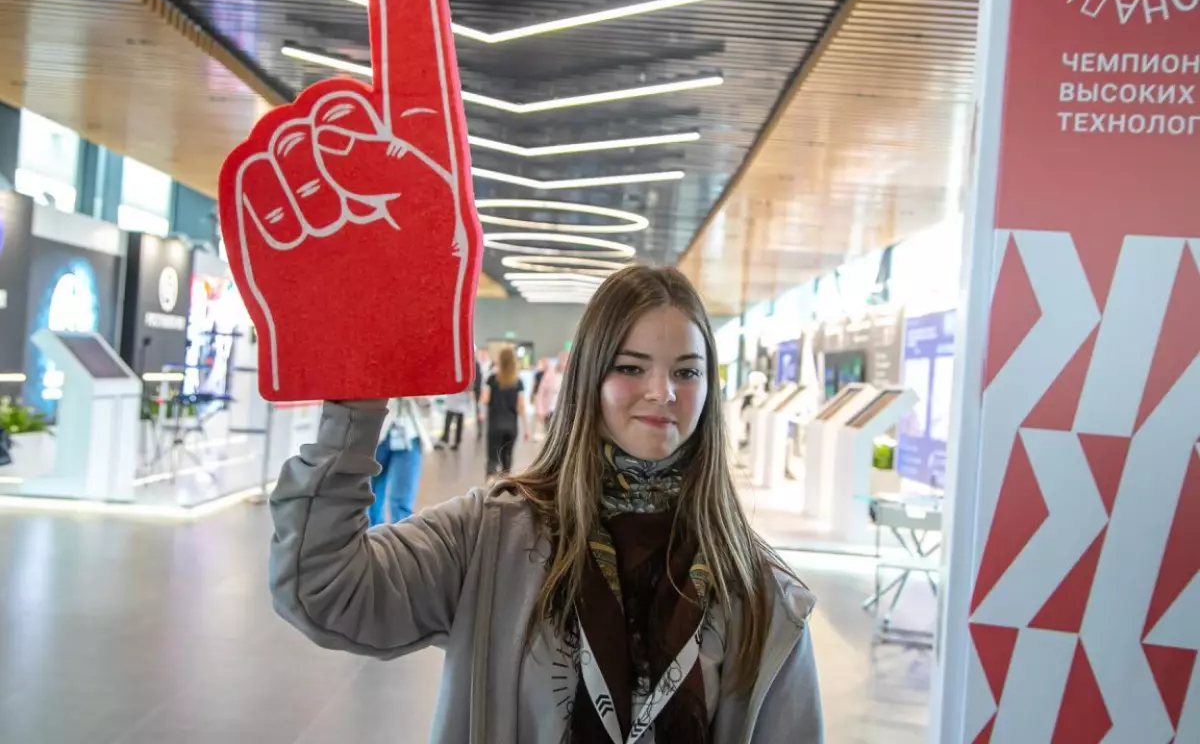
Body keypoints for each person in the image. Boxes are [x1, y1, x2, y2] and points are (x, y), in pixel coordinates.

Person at [268, 265, 822, 742]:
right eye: (631, 367)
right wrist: (352, 411)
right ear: (588, 379)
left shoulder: (761, 592)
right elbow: (324, 587)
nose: (663, 391)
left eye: (686, 370)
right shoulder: (491, 536)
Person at [368, 397, 432, 525]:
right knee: (371, 497)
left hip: (410, 434)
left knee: (401, 502)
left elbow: (427, 409)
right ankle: (372, 539)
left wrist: (416, 393)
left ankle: (401, 542)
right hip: (377, 432)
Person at [481, 347, 528, 479]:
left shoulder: (491, 379)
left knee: (492, 458)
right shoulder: (518, 382)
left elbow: (485, 399)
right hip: (511, 426)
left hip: (495, 424)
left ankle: (490, 488)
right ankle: (505, 485)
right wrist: (527, 428)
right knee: (507, 459)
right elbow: (521, 407)